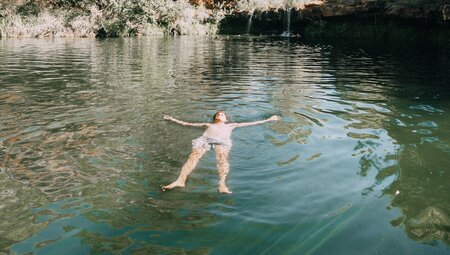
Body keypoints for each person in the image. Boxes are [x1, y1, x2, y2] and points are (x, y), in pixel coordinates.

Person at [162, 111, 281, 194]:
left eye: (222, 114)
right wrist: (172, 119)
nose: (220, 114)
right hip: (204, 140)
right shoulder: (207, 124)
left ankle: (222, 184)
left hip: (222, 142)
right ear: (214, 118)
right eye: (218, 114)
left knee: (222, 159)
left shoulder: (231, 125)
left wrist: (269, 119)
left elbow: (252, 123)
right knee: (193, 157)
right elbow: (186, 123)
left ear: (226, 119)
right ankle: (180, 180)